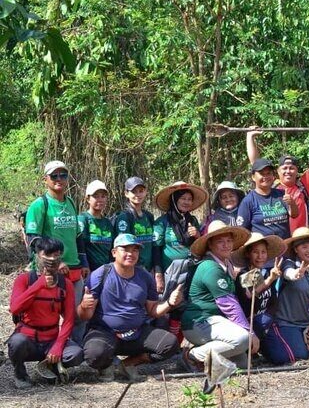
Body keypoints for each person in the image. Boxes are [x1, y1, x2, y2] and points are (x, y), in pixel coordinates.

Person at [79, 233, 183, 381]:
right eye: (125, 249)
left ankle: (129, 363)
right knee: (94, 355)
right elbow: (85, 316)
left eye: (135, 250)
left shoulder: (145, 276)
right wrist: (84, 305)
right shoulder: (101, 274)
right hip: (106, 332)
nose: (130, 253)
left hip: (137, 332)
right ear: (114, 252)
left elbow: (152, 310)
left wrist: (169, 304)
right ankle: (107, 365)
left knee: (170, 344)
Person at [181, 221, 259, 371]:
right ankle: (193, 355)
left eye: (229, 241)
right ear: (210, 245)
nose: (226, 245)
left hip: (215, 321)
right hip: (200, 321)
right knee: (243, 339)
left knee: (242, 365)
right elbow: (228, 304)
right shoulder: (210, 267)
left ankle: (206, 356)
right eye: (220, 242)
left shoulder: (226, 265)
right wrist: (250, 333)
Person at [8, 237, 83, 388]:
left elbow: (69, 319)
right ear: (37, 255)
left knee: (75, 353)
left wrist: (58, 346)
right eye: (47, 254)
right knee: (16, 343)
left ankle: (51, 365)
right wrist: (39, 285)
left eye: (56, 255)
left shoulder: (65, 284)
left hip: (51, 339)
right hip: (28, 339)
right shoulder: (24, 280)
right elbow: (15, 308)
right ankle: (20, 374)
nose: (52, 259)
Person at [25, 161, 86, 343]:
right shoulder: (39, 205)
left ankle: (74, 352)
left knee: (77, 315)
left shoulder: (71, 202)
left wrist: (83, 263)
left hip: (74, 268)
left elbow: (77, 236)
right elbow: (33, 239)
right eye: (54, 176)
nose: (59, 179)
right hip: (50, 271)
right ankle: (50, 351)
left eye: (63, 175)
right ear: (46, 179)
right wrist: (55, 262)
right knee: (50, 314)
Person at [264, 228, 309, 365]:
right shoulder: (288, 264)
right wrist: (296, 274)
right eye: (304, 246)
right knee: (299, 355)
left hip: (306, 324)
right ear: (295, 249)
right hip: (285, 323)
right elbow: (289, 273)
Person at [153, 181, 207, 339]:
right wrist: (158, 274)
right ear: (174, 200)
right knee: (166, 305)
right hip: (168, 271)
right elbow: (156, 247)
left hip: (189, 269)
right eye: (183, 198)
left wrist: (197, 235)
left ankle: (177, 340)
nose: (187, 202)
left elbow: (200, 247)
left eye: (189, 199)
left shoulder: (193, 221)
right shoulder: (162, 222)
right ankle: (162, 340)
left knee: (183, 304)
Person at [246, 126, 309, 230]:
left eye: (291, 168)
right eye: (284, 168)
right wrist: (250, 137)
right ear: (278, 172)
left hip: (300, 240)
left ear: (297, 171)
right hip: (279, 239)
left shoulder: (303, 185)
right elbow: (256, 164)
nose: (288, 171)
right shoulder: (272, 186)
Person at [231, 232, 287, 360]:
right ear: (247, 254)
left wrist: (269, 318)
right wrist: (269, 281)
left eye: (263, 252)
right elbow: (250, 297)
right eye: (255, 252)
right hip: (247, 325)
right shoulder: (243, 275)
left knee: (280, 358)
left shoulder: (267, 272)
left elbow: (273, 301)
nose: (260, 256)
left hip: (264, 324)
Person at [238, 158, 298, 240]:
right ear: (253, 177)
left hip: (284, 247)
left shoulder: (281, 194)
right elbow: (242, 230)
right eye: (262, 174)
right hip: (262, 250)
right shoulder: (248, 201)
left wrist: (292, 203)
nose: (265, 177)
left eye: (268, 173)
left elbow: (294, 215)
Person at [112, 176, 158, 274]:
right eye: (134, 191)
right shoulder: (124, 217)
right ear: (126, 194)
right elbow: (125, 246)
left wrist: (155, 267)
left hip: (149, 268)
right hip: (133, 269)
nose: (138, 194)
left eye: (140, 191)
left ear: (145, 192)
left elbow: (153, 243)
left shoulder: (149, 216)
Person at [78, 180, 114, 273]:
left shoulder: (108, 222)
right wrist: (84, 264)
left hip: (107, 270)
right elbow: (80, 243)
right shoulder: (83, 219)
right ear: (88, 199)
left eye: (103, 196)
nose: (100, 199)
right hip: (89, 271)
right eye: (96, 196)